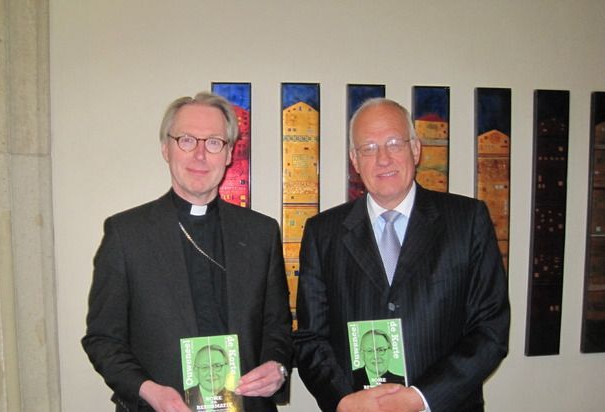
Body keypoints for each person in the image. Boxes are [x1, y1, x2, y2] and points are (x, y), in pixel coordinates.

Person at [293, 98, 510, 412]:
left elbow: (490, 328)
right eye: (368, 148)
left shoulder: (467, 220)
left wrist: (420, 398)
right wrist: (342, 401)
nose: (383, 159)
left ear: (416, 149)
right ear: (355, 159)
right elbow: (311, 337)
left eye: (394, 143)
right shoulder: (322, 232)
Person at [82, 92, 292, 412]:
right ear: (166, 148)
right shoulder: (126, 234)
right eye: (186, 140)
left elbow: (277, 325)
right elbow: (102, 339)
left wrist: (277, 367)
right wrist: (149, 391)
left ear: (229, 154)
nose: (199, 155)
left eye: (213, 143)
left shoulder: (261, 232)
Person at [184, 345, 241, 411]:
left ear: (227, 369)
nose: (211, 373)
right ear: (195, 371)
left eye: (217, 366)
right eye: (205, 367)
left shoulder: (237, 398)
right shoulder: (184, 396)